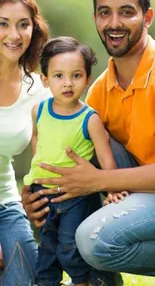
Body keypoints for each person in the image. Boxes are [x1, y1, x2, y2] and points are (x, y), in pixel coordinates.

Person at [21, 0, 155, 283]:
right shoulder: (96, 92)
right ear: (95, 18)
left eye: (127, 12)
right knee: (86, 142)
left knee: (94, 241)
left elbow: (98, 179)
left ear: (147, 18)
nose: (114, 23)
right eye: (104, 13)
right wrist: (39, 191)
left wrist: (98, 181)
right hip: (139, 191)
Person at [23, 36, 119, 286]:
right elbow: (37, 137)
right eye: (58, 76)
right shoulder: (40, 110)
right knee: (47, 247)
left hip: (77, 196)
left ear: (87, 78)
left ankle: (83, 282)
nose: (67, 83)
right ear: (45, 79)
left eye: (76, 76)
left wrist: (112, 190)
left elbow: (105, 158)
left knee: (71, 247)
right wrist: (35, 172)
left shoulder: (90, 119)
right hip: (44, 192)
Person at [0, 0, 51, 285]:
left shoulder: (38, 90)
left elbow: (47, 158)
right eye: (2, 24)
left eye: (23, 25)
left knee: (23, 279)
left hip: (5, 203)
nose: (14, 35)